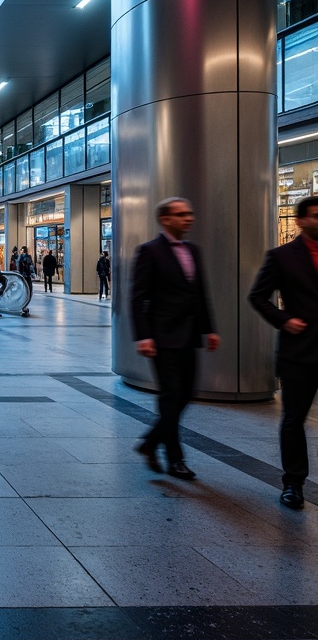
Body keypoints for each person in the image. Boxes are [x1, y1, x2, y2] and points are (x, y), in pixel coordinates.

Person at [130, 196, 220, 480]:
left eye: (189, 213)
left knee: (185, 394)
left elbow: (199, 294)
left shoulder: (193, 250)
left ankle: (149, 442)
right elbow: (138, 297)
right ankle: (175, 459)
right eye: (182, 214)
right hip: (162, 337)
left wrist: (209, 329)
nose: (188, 218)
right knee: (171, 397)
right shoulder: (149, 251)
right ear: (165, 219)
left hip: (189, 335)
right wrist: (143, 336)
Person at [248, 196, 318, 509]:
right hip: (299, 352)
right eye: (315, 216)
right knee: (293, 420)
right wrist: (284, 320)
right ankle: (293, 483)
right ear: (300, 220)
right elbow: (258, 297)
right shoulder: (282, 257)